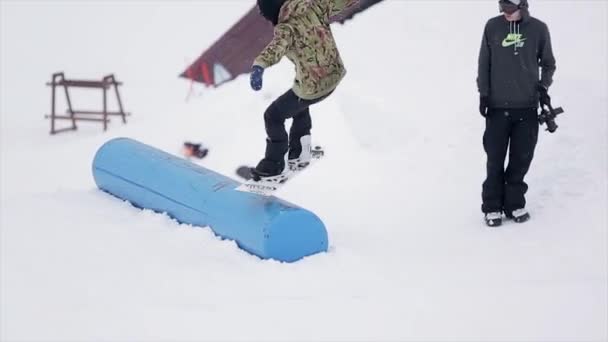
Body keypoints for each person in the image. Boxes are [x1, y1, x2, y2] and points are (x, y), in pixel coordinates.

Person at [250, 0, 357, 178]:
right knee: (296, 102)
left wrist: (259, 66)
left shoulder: (286, 27)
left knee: (273, 116)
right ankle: (300, 149)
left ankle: (274, 163)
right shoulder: (314, 5)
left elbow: (276, 48)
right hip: (334, 75)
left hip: (313, 87)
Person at [477, 0, 556, 227]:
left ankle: (514, 204)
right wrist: (484, 94)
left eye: (510, 9)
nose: (506, 14)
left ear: (523, 6)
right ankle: (492, 207)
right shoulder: (492, 26)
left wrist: (543, 86)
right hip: (497, 107)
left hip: (527, 107)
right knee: (495, 159)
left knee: (521, 159)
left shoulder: (539, 29)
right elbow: (484, 62)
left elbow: (549, 63)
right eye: (503, 9)